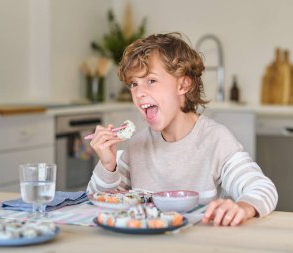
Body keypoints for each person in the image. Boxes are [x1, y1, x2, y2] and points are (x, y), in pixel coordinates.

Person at [87, 32, 278, 226]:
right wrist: (108, 165)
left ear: (183, 84)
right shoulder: (137, 144)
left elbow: (262, 188)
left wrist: (243, 207)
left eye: (151, 81)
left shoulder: (215, 139)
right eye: (134, 84)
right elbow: (98, 201)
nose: (139, 93)